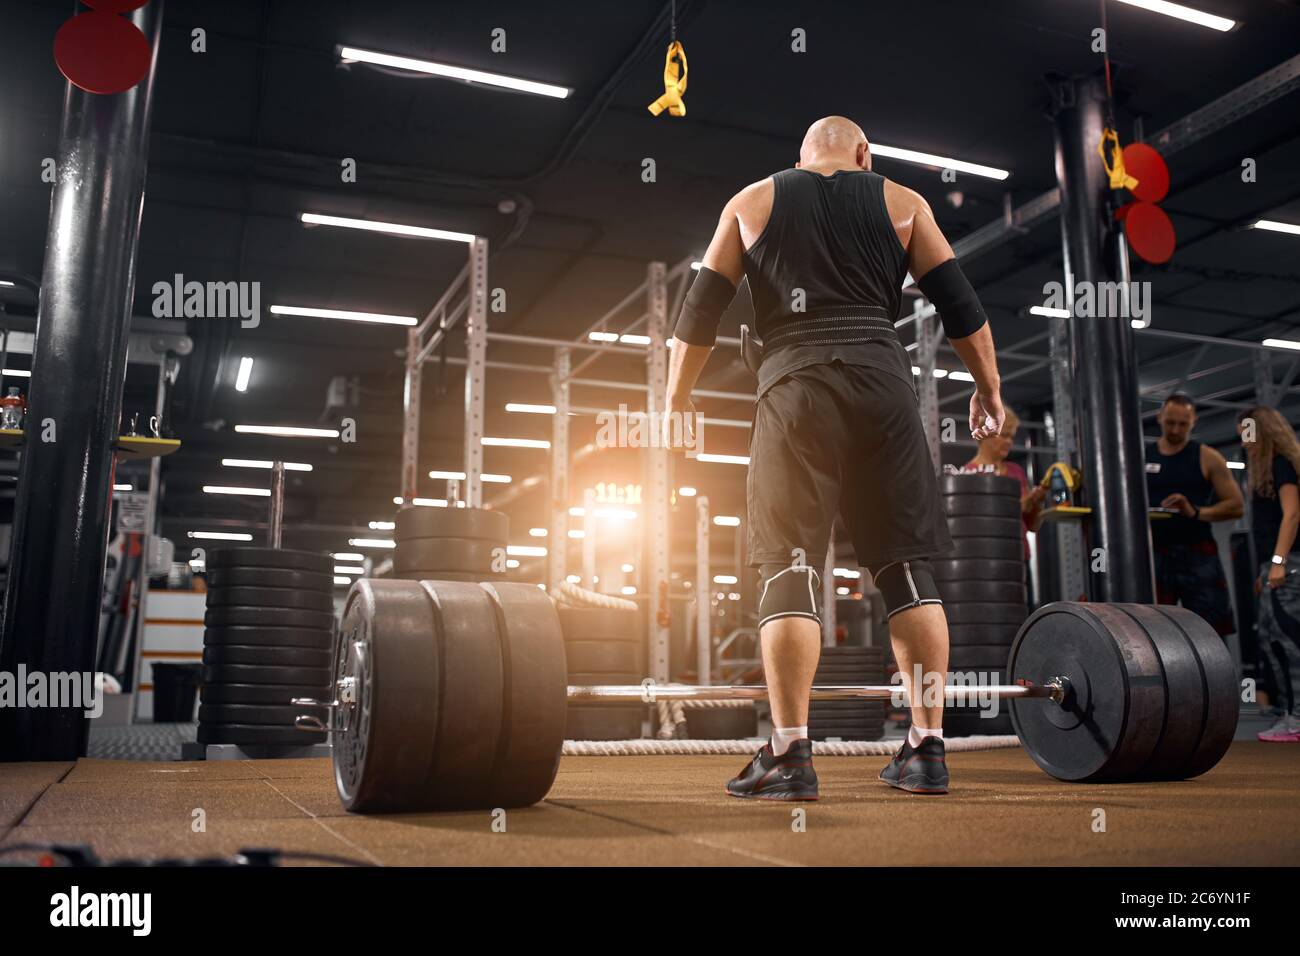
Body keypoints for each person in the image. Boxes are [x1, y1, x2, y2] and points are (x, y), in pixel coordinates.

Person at [663, 116, 1002, 797]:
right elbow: (961, 306)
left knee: (789, 567)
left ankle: (790, 754)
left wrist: (674, 402)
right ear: (862, 154)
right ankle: (926, 747)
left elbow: (698, 312)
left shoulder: (752, 201)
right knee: (907, 564)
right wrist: (988, 390)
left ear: (801, 160)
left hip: (795, 387)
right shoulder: (902, 202)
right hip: (884, 384)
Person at [1146, 393, 1243, 636]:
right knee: (1153, 628)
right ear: (1160, 418)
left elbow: (1236, 505)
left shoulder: (1208, 457)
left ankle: (1213, 674)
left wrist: (1195, 511)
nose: (1176, 429)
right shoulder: (1141, 457)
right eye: (1170, 422)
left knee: (1210, 628)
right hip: (1154, 552)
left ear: (1194, 421)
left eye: (1183, 424)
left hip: (1197, 552)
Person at [1237, 406, 1300, 742]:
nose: (1244, 441)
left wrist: (1278, 561)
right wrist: (1267, 568)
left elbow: (1292, 516)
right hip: (1274, 565)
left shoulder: (1282, 465)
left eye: (1248, 433)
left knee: (1290, 641)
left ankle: (1298, 717)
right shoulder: (1263, 473)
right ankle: (1288, 713)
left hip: (1289, 565)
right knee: (1271, 640)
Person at [963, 406, 1045, 558]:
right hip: (988, 558)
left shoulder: (1016, 472)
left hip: (1019, 557)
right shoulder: (968, 474)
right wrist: (1019, 506)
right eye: (1004, 435)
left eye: (1011, 437)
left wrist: (1036, 503)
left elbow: (1032, 526)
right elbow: (974, 525)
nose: (1009, 442)